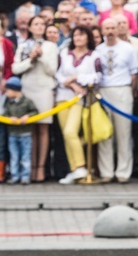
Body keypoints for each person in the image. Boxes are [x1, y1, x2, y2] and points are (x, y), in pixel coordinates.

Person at [11, 15, 58, 182]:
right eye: (35, 24)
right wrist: (31, 58)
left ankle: (40, 168)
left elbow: (52, 70)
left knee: (43, 128)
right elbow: (16, 69)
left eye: (42, 24)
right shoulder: (23, 45)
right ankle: (29, 167)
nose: (39, 27)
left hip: (44, 88)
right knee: (30, 129)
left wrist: (42, 56)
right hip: (28, 87)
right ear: (29, 27)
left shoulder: (51, 46)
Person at [55, 26, 103, 184]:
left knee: (71, 131)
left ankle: (81, 166)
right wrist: (71, 84)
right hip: (63, 97)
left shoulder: (93, 55)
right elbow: (58, 74)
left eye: (81, 35)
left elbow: (97, 76)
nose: (78, 38)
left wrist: (77, 77)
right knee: (67, 135)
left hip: (80, 99)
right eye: (75, 35)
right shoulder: (64, 53)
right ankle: (75, 170)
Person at [94, 18, 138, 183]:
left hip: (122, 90)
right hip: (103, 92)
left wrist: (132, 91)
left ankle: (123, 172)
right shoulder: (98, 50)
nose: (111, 31)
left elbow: (134, 73)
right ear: (102, 30)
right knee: (105, 133)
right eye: (107, 28)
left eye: (113, 27)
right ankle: (106, 171)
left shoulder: (127, 48)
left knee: (123, 133)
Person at [2, 76, 38, 184]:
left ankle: (25, 176)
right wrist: (9, 118)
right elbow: (4, 114)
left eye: (7, 90)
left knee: (25, 156)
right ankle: (14, 175)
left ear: (14, 90)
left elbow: (35, 112)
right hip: (12, 134)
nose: (6, 93)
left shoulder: (27, 102)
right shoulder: (8, 103)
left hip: (25, 134)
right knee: (14, 156)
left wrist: (28, 116)